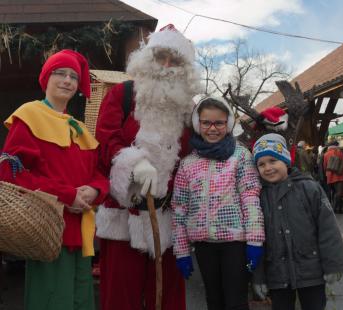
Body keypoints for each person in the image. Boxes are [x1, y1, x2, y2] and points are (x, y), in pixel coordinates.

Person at [94, 24, 200, 310]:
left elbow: (198, 154)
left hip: (168, 219)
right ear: (147, 58)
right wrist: (133, 163)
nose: (166, 65)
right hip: (122, 218)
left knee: (167, 298)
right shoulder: (122, 94)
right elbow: (104, 141)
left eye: (175, 60)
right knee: (120, 297)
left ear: (185, 68)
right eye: (160, 56)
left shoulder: (189, 110)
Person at [0, 49, 109, 310]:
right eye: (60, 73)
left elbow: (99, 174)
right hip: (48, 232)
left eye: (73, 76)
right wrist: (66, 195)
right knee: (52, 301)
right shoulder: (29, 116)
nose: (68, 80)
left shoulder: (79, 128)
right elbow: (10, 174)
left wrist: (94, 191)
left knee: (82, 301)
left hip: (81, 236)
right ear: (46, 78)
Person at [171, 97, 265, 310]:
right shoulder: (188, 164)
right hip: (204, 245)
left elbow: (250, 198)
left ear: (228, 124)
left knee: (236, 301)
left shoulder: (240, 156)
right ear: (198, 124)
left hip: (235, 243)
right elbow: (179, 208)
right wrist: (182, 251)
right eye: (206, 123)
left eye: (219, 123)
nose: (212, 128)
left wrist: (255, 241)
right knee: (214, 301)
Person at [252, 133, 343, 310]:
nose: (268, 168)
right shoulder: (258, 196)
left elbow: (328, 229)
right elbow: (256, 240)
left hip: (311, 271)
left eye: (273, 161)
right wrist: (258, 277)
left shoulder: (309, 188)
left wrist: (333, 265)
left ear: (286, 160)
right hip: (277, 275)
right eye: (261, 164)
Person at [323, 138, 343, 214]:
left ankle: (338, 208)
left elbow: (325, 166)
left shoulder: (326, 154)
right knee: (339, 193)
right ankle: (335, 208)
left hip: (330, 176)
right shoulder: (340, 152)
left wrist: (326, 174)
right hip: (339, 175)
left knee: (334, 192)